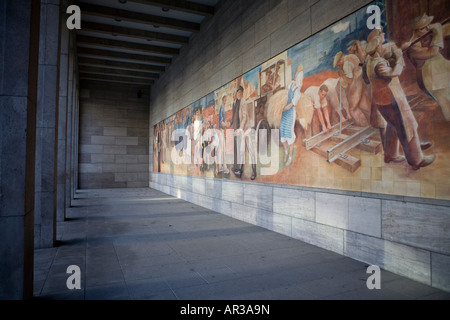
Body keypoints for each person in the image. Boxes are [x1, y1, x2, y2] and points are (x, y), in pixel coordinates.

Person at [365, 29, 436, 170]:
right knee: (406, 127)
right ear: (377, 45)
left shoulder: (370, 61)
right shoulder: (379, 64)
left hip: (382, 103)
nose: (383, 44)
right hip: (391, 101)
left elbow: (387, 52)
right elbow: (395, 72)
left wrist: (400, 48)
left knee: (393, 125)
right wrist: (399, 57)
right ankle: (416, 159)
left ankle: (390, 154)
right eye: (381, 41)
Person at [402, 13, 450, 121]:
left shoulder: (428, 36)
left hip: (443, 71)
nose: (429, 28)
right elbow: (432, 52)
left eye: (429, 25)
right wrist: (438, 33)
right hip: (434, 79)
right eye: (425, 27)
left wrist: (438, 30)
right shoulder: (412, 47)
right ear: (417, 31)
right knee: (447, 103)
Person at [280, 65, 303, 167]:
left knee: (289, 132)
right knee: (283, 132)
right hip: (284, 112)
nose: (296, 76)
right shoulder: (291, 84)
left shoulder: (298, 92)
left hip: (290, 112)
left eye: (298, 76)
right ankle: (285, 152)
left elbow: (291, 105)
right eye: (296, 74)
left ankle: (289, 156)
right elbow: (285, 92)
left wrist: (282, 108)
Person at [217, 94, 230, 174]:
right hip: (221, 131)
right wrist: (227, 125)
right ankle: (224, 168)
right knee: (223, 150)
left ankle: (220, 167)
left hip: (221, 131)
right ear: (222, 100)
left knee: (221, 150)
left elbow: (222, 121)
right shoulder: (222, 108)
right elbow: (221, 122)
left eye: (226, 100)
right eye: (225, 100)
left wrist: (226, 123)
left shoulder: (222, 108)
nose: (225, 101)